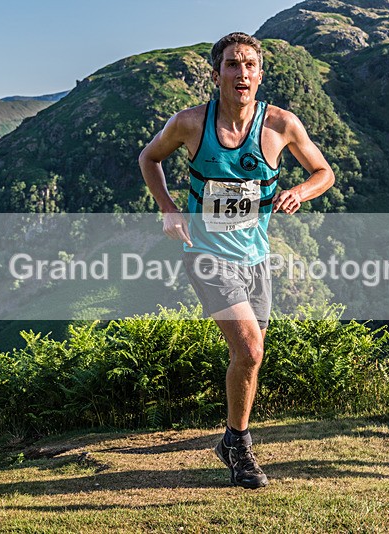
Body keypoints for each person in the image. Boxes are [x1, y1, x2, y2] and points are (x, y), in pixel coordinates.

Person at [138, 32, 335, 489]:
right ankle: (243, 448)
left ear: (260, 75)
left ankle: (230, 438)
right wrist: (168, 207)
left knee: (247, 360)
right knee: (250, 348)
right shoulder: (190, 123)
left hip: (256, 257)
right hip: (205, 254)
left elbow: (323, 172)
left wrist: (299, 191)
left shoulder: (282, 125)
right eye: (232, 64)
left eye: (249, 65)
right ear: (217, 74)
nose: (241, 73)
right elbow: (150, 158)